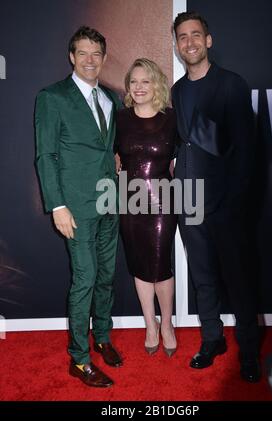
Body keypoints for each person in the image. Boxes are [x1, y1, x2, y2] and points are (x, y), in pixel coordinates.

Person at [172, 12, 261, 382]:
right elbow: (184, 141)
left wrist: (233, 203)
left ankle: (250, 353)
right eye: (182, 37)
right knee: (203, 278)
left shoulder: (231, 85)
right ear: (177, 46)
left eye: (195, 35)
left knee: (238, 281)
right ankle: (212, 340)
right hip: (189, 202)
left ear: (208, 40)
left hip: (226, 205)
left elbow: (246, 150)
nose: (189, 42)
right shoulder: (177, 91)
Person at [35, 26, 123, 388]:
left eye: (96, 54)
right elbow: (46, 154)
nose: (90, 60)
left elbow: (107, 148)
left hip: (109, 201)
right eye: (83, 53)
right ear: (72, 57)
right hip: (76, 207)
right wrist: (57, 206)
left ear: (103, 58)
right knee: (85, 278)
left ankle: (101, 336)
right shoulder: (52, 97)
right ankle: (79, 358)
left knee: (106, 276)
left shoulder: (111, 99)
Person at [115, 58, 178, 356]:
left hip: (164, 201)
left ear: (156, 85)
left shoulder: (172, 119)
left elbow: (183, 161)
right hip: (129, 203)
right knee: (140, 265)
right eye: (134, 82)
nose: (139, 87)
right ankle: (149, 324)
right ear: (128, 87)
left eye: (146, 81)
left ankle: (167, 324)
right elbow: (109, 156)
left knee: (161, 265)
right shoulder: (120, 118)